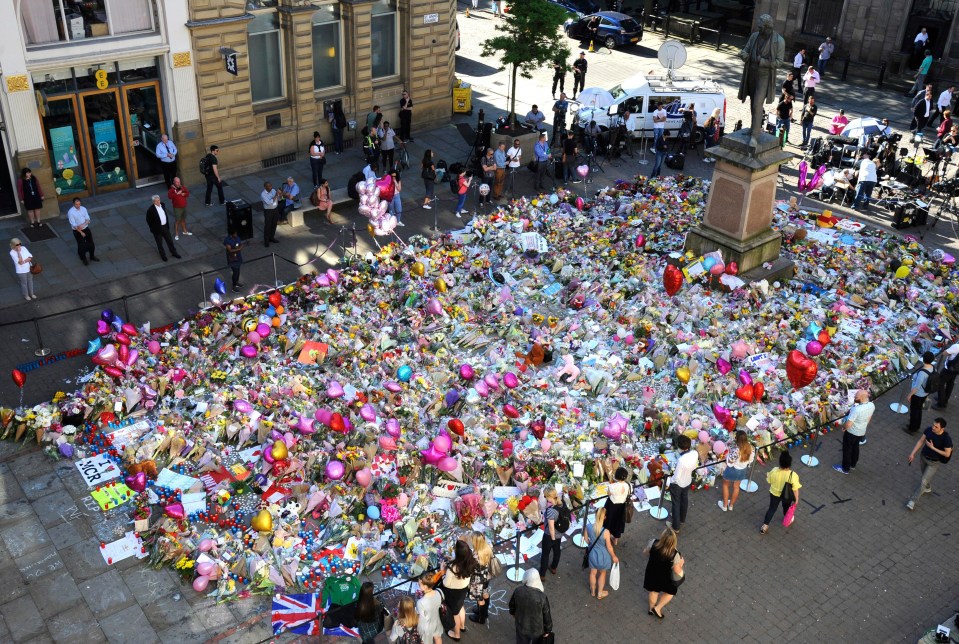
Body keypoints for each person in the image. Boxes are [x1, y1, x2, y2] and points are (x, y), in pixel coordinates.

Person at [738, 14, 785, 150]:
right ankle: (754, 128)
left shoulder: (778, 40)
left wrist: (762, 61)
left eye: (760, 27)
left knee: (758, 103)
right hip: (751, 73)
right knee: (753, 103)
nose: (758, 29)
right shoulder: (754, 36)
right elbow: (746, 50)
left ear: (767, 27)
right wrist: (744, 54)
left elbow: (779, 62)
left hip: (764, 75)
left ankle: (754, 136)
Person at [906, 418, 952, 510]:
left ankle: (912, 501)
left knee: (923, 481)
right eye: (933, 425)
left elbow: (947, 454)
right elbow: (921, 441)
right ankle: (928, 487)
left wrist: (933, 448)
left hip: (933, 463)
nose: (933, 427)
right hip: (923, 458)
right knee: (925, 477)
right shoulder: (928, 430)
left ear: (942, 428)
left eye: (936, 427)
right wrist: (912, 454)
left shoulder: (946, 439)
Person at [643, 527, 684, 619]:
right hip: (666, 577)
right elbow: (677, 570)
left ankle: (651, 609)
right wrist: (681, 564)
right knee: (671, 591)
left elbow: (646, 552)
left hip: (652, 572)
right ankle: (658, 608)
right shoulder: (675, 554)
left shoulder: (653, 542)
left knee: (653, 591)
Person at [440, 539, 475, 641]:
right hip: (463, 590)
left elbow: (446, 583)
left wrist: (442, 572)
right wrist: (453, 559)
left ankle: (457, 634)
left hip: (453, 593)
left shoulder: (452, 568)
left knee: (455, 614)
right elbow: (461, 562)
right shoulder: (470, 561)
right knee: (460, 608)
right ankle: (462, 626)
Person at [833, 389, 876, 474]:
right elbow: (869, 418)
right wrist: (864, 425)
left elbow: (849, 423)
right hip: (861, 431)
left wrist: (844, 428)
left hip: (851, 432)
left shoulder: (856, 410)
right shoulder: (871, 405)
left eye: (856, 397)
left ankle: (845, 468)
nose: (854, 397)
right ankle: (853, 464)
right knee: (855, 448)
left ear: (861, 398)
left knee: (847, 450)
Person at [761, 450, 801, 534]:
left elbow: (769, 481)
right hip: (786, 496)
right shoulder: (793, 475)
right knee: (786, 507)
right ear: (789, 464)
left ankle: (765, 526)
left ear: (780, 462)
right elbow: (795, 489)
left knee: (772, 509)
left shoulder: (774, 470)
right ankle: (787, 519)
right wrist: (796, 499)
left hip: (774, 493)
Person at [508, 569, 552, 644]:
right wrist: (548, 630)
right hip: (537, 630)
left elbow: (511, 606)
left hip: (521, 625)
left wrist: (514, 614)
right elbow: (547, 616)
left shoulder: (518, 590)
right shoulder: (542, 597)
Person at [584, 506, 617, 600]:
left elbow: (586, 540)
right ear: (605, 517)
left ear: (595, 515)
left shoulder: (589, 526)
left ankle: (593, 591)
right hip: (603, 556)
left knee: (593, 573)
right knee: (602, 573)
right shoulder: (606, 532)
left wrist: (591, 544)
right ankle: (600, 593)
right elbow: (609, 547)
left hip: (592, 554)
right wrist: (614, 556)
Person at [668, 434, 699, 533]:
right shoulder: (694, 453)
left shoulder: (681, 460)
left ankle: (676, 527)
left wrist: (669, 480)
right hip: (688, 480)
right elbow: (694, 466)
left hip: (678, 484)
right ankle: (682, 519)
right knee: (684, 500)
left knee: (676, 504)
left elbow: (676, 477)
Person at [719, 430, 754, 512]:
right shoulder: (751, 448)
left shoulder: (737, 450)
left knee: (725, 485)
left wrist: (727, 455)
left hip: (732, 470)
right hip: (742, 470)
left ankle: (724, 505)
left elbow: (730, 461)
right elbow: (751, 460)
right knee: (736, 487)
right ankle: (731, 505)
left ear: (737, 439)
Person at [904, 351, 937, 434]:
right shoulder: (933, 367)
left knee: (914, 411)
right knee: (919, 410)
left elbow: (917, 387)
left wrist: (910, 395)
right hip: (925, 393)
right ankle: (917, 426)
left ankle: (912, 428)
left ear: (923, 359)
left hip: (918, 394)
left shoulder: (922, 373)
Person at [468, 532, 497, 625]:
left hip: (478, 580)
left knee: (479, 598)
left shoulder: (475, 556)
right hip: (487, 576)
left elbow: (470, 568)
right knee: (485, 593)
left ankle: (481, 618)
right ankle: (485, 612)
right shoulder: (488, 547)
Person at [145, 195, 181, 262]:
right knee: (159, 243)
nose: (158, 202)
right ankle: (163, 256)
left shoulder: (163, 204)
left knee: (169, 241)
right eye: (156, 201)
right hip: (157, 229)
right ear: (153, 202)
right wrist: (153, 229)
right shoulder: (150, 210)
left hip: (165, 227)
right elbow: (148, 220)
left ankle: (174, 253)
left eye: (159, 200)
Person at [538, 487, 562, 579]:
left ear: (548, 497)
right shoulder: (561, 505)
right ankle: (553, 567)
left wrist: (553, 538)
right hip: (559, 533)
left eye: (544, 496)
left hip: (550, 536)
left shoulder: (551, 510)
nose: (544, 498)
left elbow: (551, 527)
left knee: (545, 554)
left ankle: (542, 574)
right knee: (557, 552)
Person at [603, 467, 630, 544]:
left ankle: (607, 537)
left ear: (616, 476)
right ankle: (615, 539)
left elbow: (608, 493)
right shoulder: (628, 485)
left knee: (609, 521)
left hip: (612, 506)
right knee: (618, 522)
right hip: (622, 506)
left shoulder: (613, 486)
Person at [67, 197, 98, 265]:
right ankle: (84, 259)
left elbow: (88, 219)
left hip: (85, 228)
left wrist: (83, 224)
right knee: (81, 245)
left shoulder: (83, 208)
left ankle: (92, 256)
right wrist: (81, 232)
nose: (78, 206)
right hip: (77, 231)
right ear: (73, 204)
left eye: (79, 204)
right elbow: (74, 225)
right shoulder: (71, 212)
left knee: (91, 243)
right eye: (76, 204)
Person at [416, 572, 443, 644]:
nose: (418, 586)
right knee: (438, 637)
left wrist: (418, 630)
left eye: (419, 585)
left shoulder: (420, 602)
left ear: (425, 587)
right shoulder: (439, 592)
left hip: (427, 626)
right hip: (437, 620)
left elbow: (421, 619)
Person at [933, 344, 959, 409]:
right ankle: (945, 399)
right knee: (950, 383)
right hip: (956, 369)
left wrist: (946, 346)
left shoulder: (956, 346)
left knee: (940, 384)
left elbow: (944, 353)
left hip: (949, 368)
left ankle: (941, 403)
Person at [261, 181, 280, 247]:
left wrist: (279, 194)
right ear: (265, 187)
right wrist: (276, 195)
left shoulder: (273, 190)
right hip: (268, 211)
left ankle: (272, 237)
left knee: (274, 224)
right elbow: (269, 202)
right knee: (268, 225)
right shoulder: (263, 194)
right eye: (269, 186)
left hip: (275, 209)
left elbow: (278, 198)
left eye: (271, 186)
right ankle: (266, 241)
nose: (270, 187)